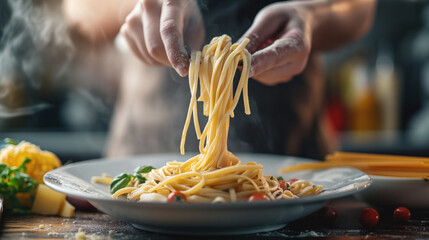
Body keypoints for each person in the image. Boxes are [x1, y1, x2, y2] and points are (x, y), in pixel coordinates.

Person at [63, 0, 376, 159]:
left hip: (293, 158)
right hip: (141, 159)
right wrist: (137, 6)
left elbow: (361, 7)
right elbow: (77, 7)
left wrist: (312, 16)